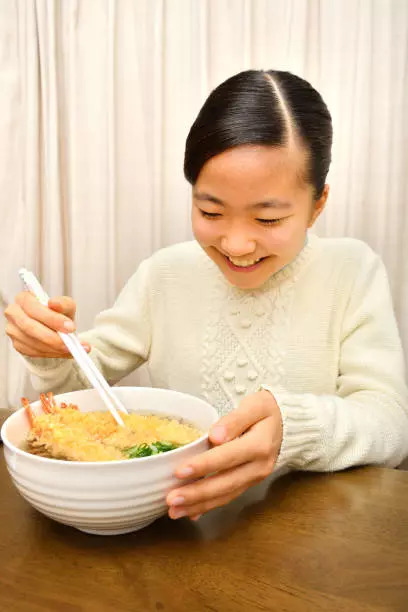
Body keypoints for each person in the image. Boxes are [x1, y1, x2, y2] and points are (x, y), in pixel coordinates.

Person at [5, 69, 408, 522]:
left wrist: (294, 429)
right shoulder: (166, 273)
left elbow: (389, 422)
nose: (236, 245)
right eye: (210, 211)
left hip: (309, 537)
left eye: (269, 220)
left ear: (318, 204)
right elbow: (82, 389)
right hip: (176, 528)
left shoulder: (352, 270)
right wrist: (50, 350)